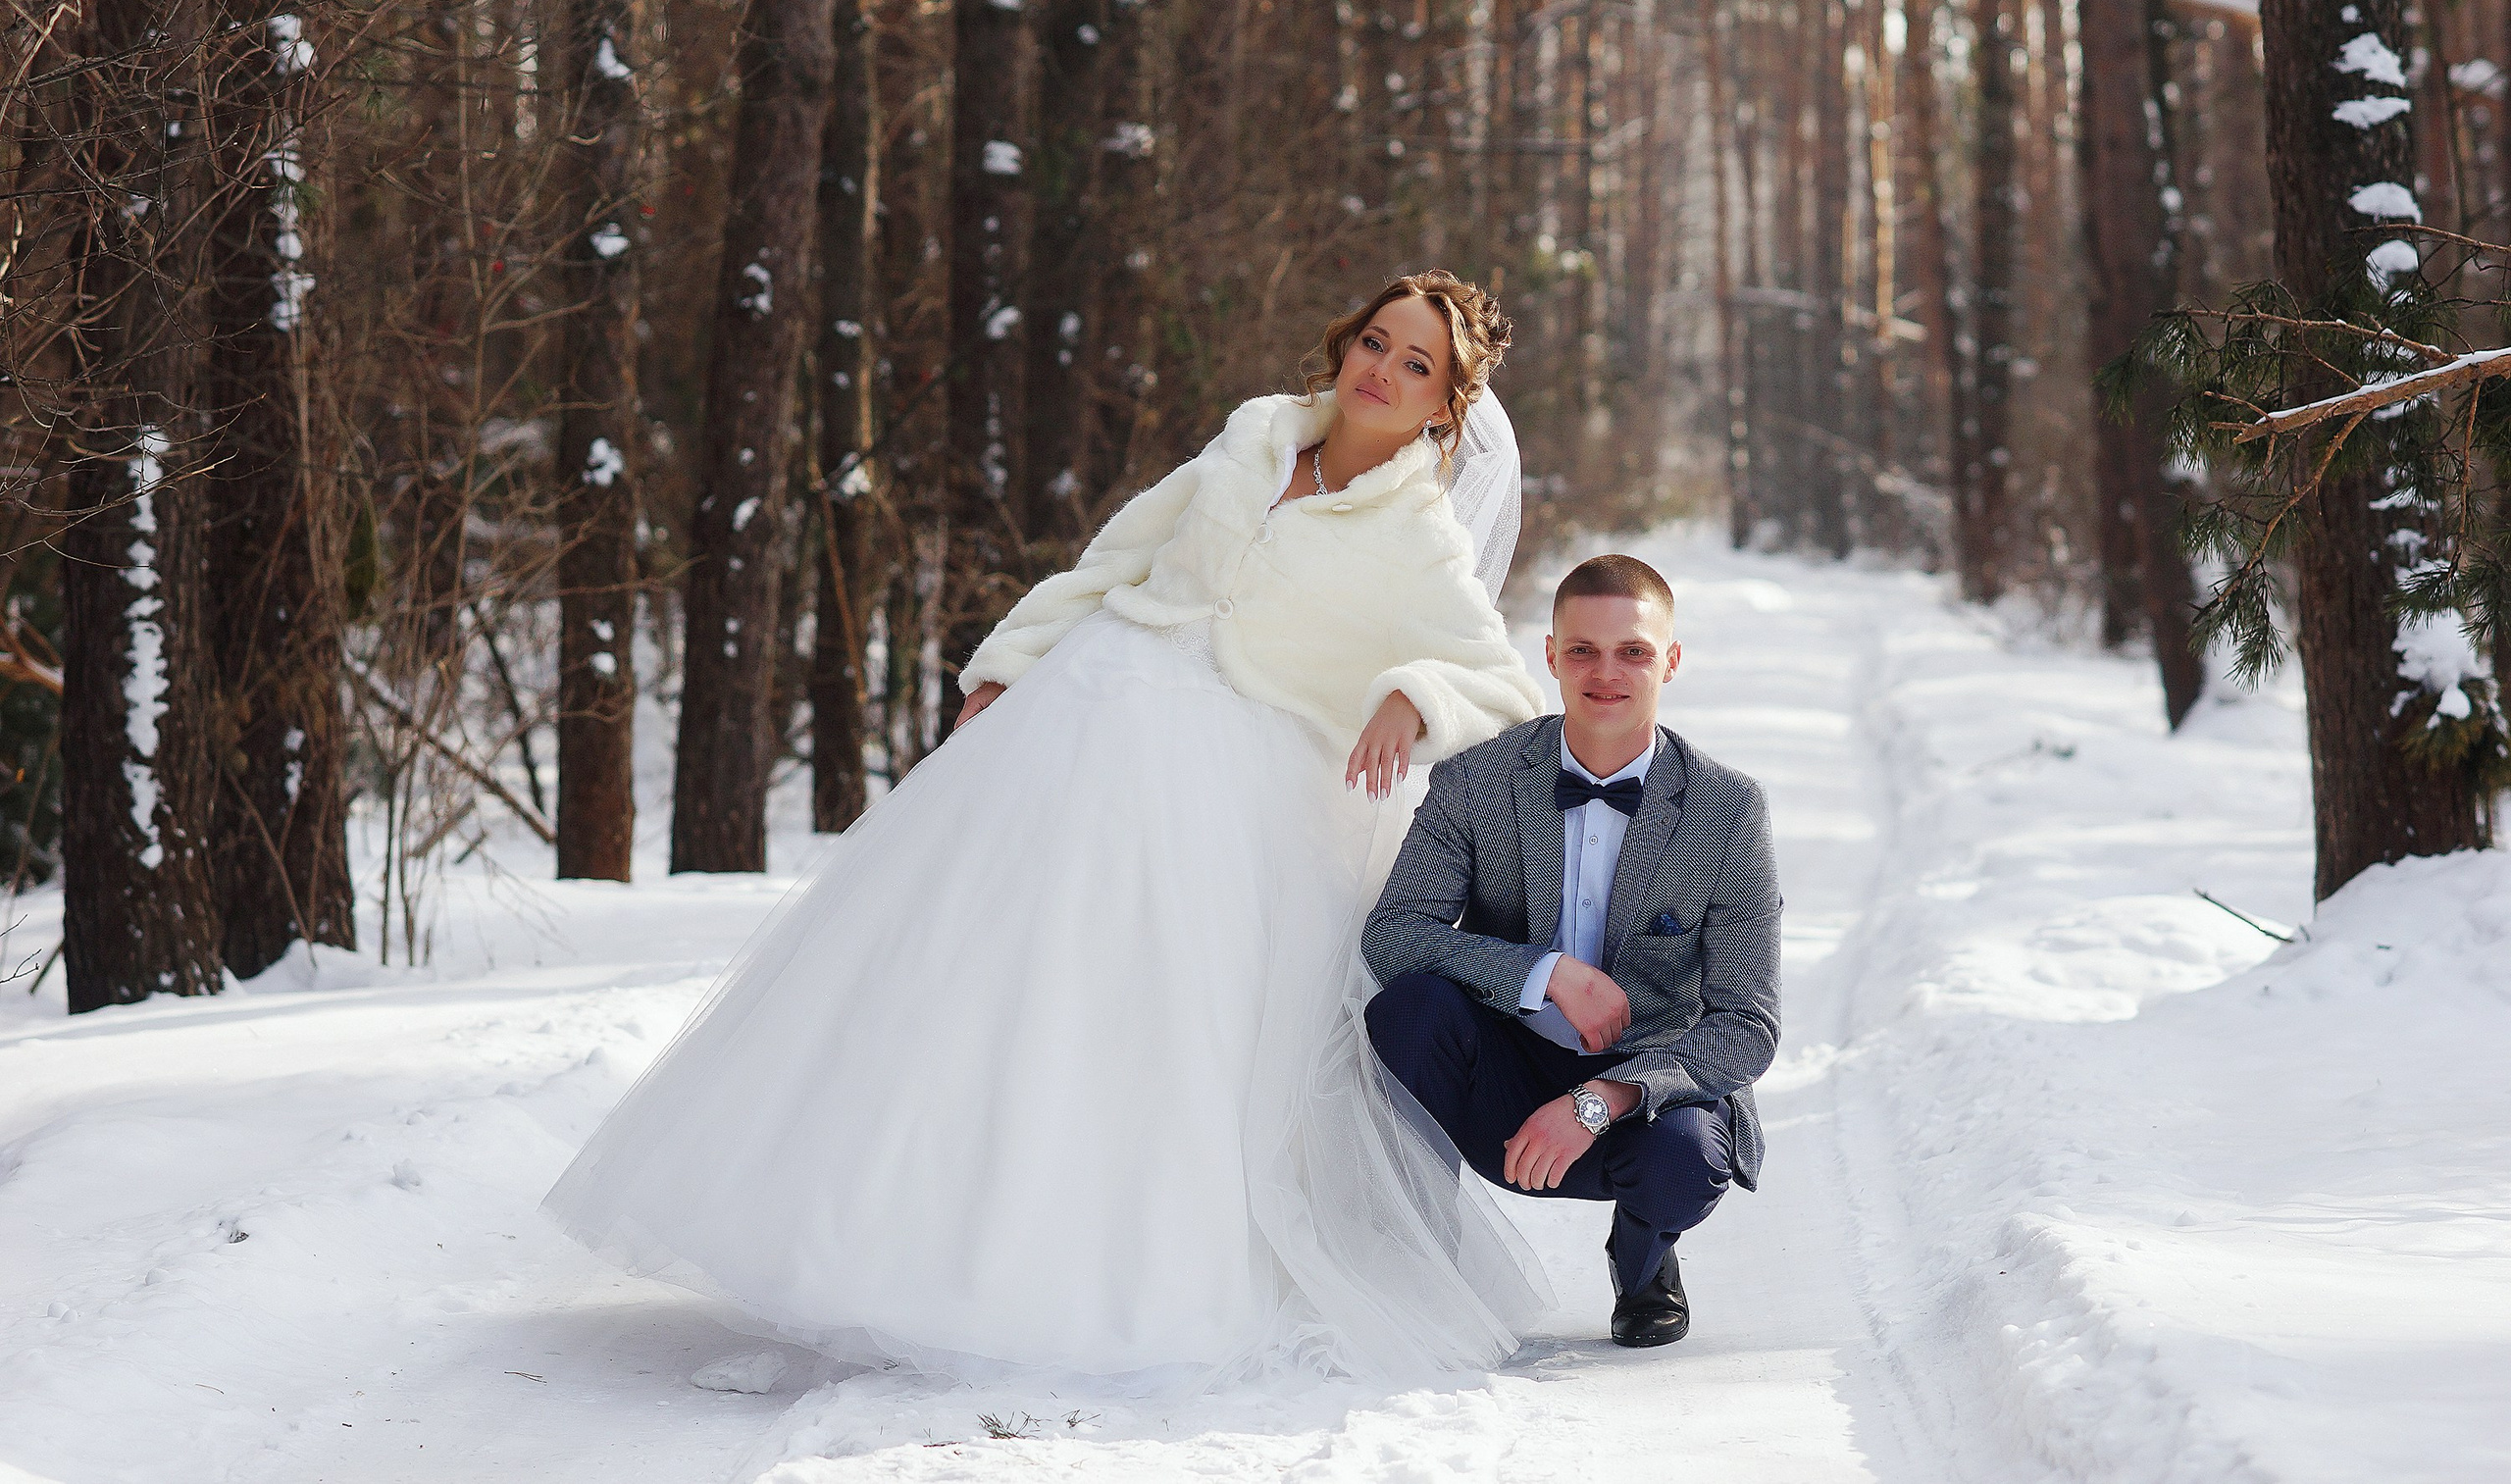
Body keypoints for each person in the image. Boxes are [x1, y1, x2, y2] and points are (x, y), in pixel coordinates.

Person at [545, 272, 1552, 1382]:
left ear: (1444, 408)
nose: (1383, 370)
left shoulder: (1417, 533)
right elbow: (1119, 559)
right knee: (969, 971)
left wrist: (1411, 692)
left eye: (1416, 364)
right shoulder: (1256, 437)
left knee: (1134, 1013)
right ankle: (874, 1240)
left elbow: (1494, 680)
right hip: (1091, 704)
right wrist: (1014, 660)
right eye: (1375, 340)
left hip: (1229, 779)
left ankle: (1082, 1273)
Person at [1361, 552, 1782, 1350]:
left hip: (1643, 1094)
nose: (1606, 672)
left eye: (1634, 651)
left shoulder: (1727, 809)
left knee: (1685, 1158)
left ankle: (1644, 1254)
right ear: (1550, 656)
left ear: (1672, 661)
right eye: (1582, 650)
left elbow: (1747, 1026)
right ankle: (1420, 1254)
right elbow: (1395, 932)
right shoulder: (1477, 780)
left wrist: (1603, 1100)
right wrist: (1541, 973)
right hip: (1508, 1072)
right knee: (1408, 1008)